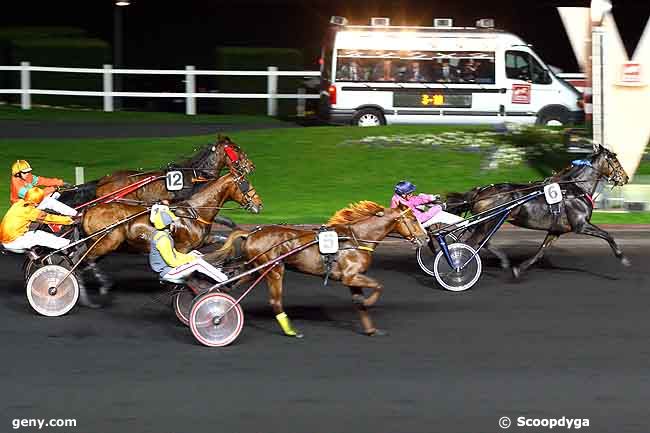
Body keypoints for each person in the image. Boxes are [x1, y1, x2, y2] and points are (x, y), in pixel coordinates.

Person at [148, 204, 228, 284]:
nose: (174, 224)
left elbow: (175, 254)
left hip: (169, 268)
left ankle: (215, 271)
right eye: (172, 223)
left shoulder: (162, 235)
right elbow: (172, 262)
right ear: (167, 225)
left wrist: (191, 257)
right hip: (168, 272)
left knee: (195, 253)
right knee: (198, 264)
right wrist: (191, 259)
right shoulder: (163, 240)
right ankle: (225, 279)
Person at [0, 187, 74, 252]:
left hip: (8, 237)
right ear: (36, 203)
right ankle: (69, 245)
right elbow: (49, 218)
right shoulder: (29, 211)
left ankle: (65, 243)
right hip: (13, 242)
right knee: (39, 235)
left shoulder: (19, 203)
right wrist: (70, 220)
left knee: (40, 234)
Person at [10, 160, 77, 217]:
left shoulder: (26, 176)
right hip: (24, 208)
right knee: (49, 201)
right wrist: (52, 189)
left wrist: (61, 183)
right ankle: (75, 215)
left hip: (34, 201)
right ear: (18, 174)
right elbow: (34, 196)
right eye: (25, 172)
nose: (28, 174)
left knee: (56, 194)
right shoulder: (17, 186)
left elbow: (42, 181)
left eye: (28, 171)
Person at [390, 180, 464, 228]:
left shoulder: (400, 198)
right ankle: (463, 223)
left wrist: (431, 198)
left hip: (417, 221)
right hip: (416, 225)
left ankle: (462, 223)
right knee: (439, 215)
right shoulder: (402, 206)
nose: (412, 194)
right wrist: (438, 207)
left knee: (427, 206)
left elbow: (415, 199)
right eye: (410, 193)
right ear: (403, 194)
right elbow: (420, 218)